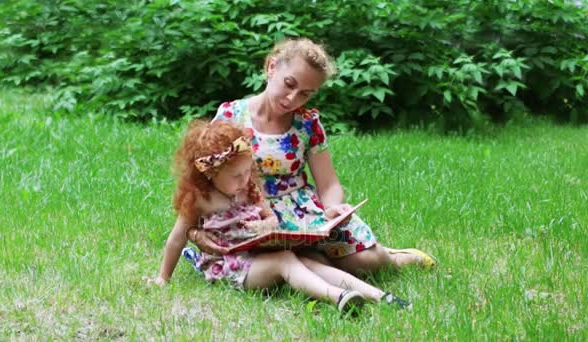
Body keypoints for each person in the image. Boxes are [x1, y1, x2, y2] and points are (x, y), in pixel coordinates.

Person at [187, 37, 436, 275]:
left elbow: (329, 183)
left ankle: (393, 257)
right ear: (272, 67)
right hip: (253, 216)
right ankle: (322, 262)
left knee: (368, 263)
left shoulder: (308, 124)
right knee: (305, 264)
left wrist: (332, 209)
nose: (292, 98)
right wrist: (195, 231)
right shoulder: (231, 116)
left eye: (305, 93)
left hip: (304, 215)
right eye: (290, 84)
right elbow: (203, 177)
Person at [143, 120, 410, 312]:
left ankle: (381, 296)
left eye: (248, 171)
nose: (245, 179)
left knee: (307, 261)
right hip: (233, 267)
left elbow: (270, 218)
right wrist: (162, 279)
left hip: (258, 255)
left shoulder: (249, 188)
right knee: (285, 261)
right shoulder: (199, 199)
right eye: (236, 175)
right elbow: (176, 239)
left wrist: (265, 226)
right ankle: (339, 297)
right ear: (210, 173)